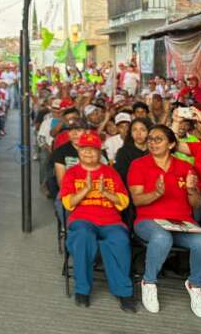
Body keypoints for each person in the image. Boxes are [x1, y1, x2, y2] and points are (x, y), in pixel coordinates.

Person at [127, 125, 201, 317]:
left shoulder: (185, 167)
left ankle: (195, 285)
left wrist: (191, 189)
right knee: (161, 237)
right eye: (150, 139)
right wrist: (156, 193)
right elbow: (137, 200)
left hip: (181, 222)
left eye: (158, 139)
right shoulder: (139, 164)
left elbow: (197, 204)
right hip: (149, 221)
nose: (152, 143)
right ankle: (149, 282)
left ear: (171, 144)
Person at [60, 132, 135, 311]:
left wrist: (105, 192)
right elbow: (68, 203)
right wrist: (86, 190)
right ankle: (82, 290)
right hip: (82, 220)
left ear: (99, 151)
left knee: (120, 241)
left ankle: (124, 292)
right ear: (78, 150)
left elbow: (123, 203)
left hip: (111, 221)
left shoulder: (110, 172)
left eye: (93, 150)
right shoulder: (72, 173)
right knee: (83, 237)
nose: (88, 153)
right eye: (84, 149)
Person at [113, 118, 151, 185]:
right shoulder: (123, 152)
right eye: (134, 130)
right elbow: (121, 178)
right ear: (130, 133)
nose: (138, 133)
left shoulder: (155, 150)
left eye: (143, 130)